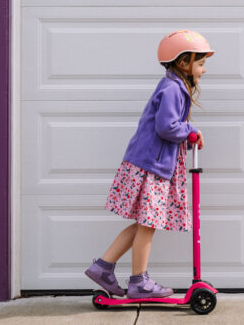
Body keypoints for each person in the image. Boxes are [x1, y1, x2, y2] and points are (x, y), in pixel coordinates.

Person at [84, 29, 212, 299]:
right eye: (200, 63)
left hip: (148, 164)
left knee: (144, 223)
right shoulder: (172, 89)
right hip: (151, 168)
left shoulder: (173, 86)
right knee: (148, 225)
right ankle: (138, 283)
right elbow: (167, 127)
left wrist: (188, 134)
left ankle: (103, 267)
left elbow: (168, 128)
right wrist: (190, 129)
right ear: (182, 62)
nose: (203, 69)